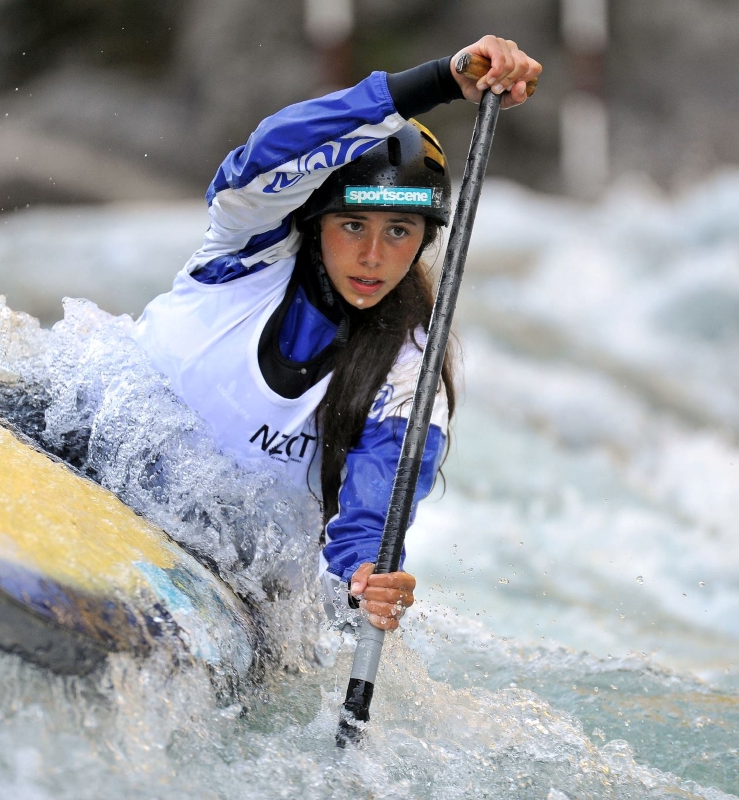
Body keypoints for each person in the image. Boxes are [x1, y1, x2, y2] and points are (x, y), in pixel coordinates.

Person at [134, 36, 540, 631]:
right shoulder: (243, 253)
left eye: (399, 231)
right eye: (353, 224)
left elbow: (370, 520)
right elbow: (274, 147)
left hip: (224, 583)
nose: (373, 256)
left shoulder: (410, 371)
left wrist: (369, 580)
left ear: (423, 242)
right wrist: (438, 80)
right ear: (315, 221)